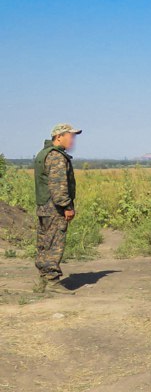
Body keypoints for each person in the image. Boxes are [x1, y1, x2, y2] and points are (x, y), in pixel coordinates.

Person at [33, 123, 81, 293]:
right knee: (54, 244)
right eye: (70, 135)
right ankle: (52, 282)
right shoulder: (56, 157)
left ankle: (44, 280)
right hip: (55, 209)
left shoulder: (43, 154)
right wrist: (67, 206)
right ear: (59, 136)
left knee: (44, 244)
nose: (73, 140)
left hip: (43, 207)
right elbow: (59, 187)